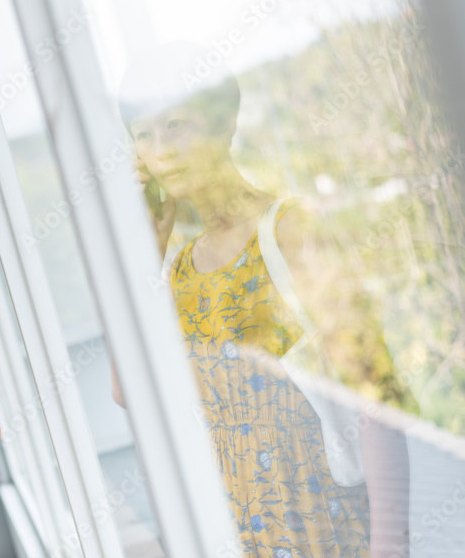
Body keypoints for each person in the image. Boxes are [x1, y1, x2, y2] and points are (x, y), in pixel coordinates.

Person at [111, 44, 410, 556]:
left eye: (177, 125)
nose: (162, 149)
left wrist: (392, 545)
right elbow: (127, 391)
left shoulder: (289, 228)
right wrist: (148, 247)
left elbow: (375, 394)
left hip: (328, 528)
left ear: (224, 121)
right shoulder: (177, 270)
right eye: (145, 134)